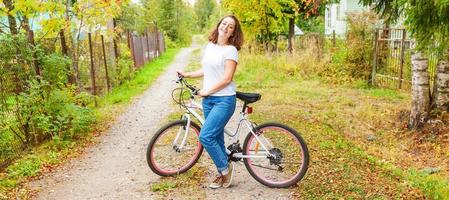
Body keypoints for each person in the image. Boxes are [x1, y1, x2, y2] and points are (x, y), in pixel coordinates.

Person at [177, 15, 244, 189]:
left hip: (223, 100)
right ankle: (223, 174)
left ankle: (224, 169)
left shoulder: (231, 51)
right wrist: (188, 74)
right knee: (216, 138)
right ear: (219, 25)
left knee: (206, 136)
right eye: (224, 23)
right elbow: (206, 69)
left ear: (233, 32)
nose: (226, 27)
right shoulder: (211, 46)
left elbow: (227, 79)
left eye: (230, 26)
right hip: (208, 101)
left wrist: (207, 91)